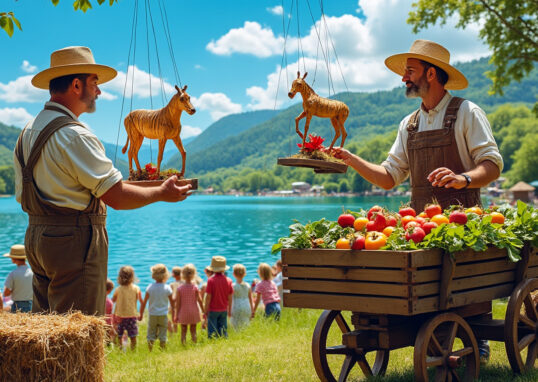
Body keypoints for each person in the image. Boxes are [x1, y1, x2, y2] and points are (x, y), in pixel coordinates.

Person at [333, 39, 502, 364]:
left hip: (463, 224)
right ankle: (429, 332)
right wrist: (352, 159)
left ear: (430, 73)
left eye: (409, 71)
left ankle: (475, 334)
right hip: (419, 227)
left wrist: (464, 178)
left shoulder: (467, 112)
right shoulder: (409, 124)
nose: (403, 78)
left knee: (458, 287)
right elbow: (389, 176)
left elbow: (492, 164)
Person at [13, 46, 192, 316]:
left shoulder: (28, 130)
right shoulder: (75, 136)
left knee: (47, 326)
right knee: (79, 327)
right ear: (76, 85)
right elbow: (116, 196)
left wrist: (154, 185)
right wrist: (160, 193)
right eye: (94, 82)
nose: (98, 91)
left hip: (37, 238)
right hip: (73, 243)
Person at [139, 264, 173, 351]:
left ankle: (150, 350)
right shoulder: (167, 288)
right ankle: (162, 350)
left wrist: (141, 314)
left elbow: (144, 302)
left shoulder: (150, 287)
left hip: (153, 314)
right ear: (165, 275)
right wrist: (174, 314)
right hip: (163, 314)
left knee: (151, 333)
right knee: (163, 333)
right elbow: (172, 303)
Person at [113, 266, 142, 350]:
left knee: (119, 335)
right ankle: (133, 350)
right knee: (133, 336)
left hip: (119, 316)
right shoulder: (136, 288)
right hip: (132, 315)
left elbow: (114, 300)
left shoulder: (118, 289)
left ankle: (120, 350)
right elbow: (139, 299)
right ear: (132, 277)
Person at [204, 256, 233, 338]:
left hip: (213, 310)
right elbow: (230, 298)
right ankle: (224, 342)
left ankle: (213, 343)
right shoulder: (229, 280)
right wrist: (229, 310)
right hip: (224, 309)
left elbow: (208, 297)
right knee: (223, 330)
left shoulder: (210, 280)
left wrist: (205, 310)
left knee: (212, 332)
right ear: (224, 269)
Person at [176, 264, 204, 344]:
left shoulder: (180, 288)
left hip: (183, 312)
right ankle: (194, 344)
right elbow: (200, 300)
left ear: (182, 274)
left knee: (183, 331)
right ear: (194, 274)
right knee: (193, 330)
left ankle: (183, 345)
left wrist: (176, 315)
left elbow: (178, 304)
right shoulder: (195, 287)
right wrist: (203, 311)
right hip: (193, 312)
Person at [2, 244, 33, 313]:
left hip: (17, 306)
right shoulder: (32, 273)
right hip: (31, 305)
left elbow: (6, 293)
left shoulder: (13, 274)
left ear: (13, 259)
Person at [230, 264, 253, 329]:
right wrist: (252, 310)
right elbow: (250, 298)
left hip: (236, 306)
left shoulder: (233, 286)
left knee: (235, 324)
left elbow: (230, 299)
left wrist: (228, 309)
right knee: (245, 323)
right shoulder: (248, 285)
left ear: (233, 274)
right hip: (246, 306)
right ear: (244, 274)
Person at [168, 266, 182, 334]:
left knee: (174, 321)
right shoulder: (183, 283)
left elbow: (170, 295)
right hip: (182, 303)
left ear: (173, 274)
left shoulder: (172, 284)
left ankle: (174, 333)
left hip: (174, 303)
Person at [199, 265, 214, 330]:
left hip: (207, 304)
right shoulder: (215, 282)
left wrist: (202, 309)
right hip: (215, 305)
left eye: (206, 272)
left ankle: (205, 334)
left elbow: (201, 298)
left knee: (205, 322)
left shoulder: (205, 285)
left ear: (209, 273)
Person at [105, 279, 116, 344]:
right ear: (109, 291)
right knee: (109, 339)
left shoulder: (99, 300)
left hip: (101, 322)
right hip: (108, 323)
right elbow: (110, 315)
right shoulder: (109, 302)